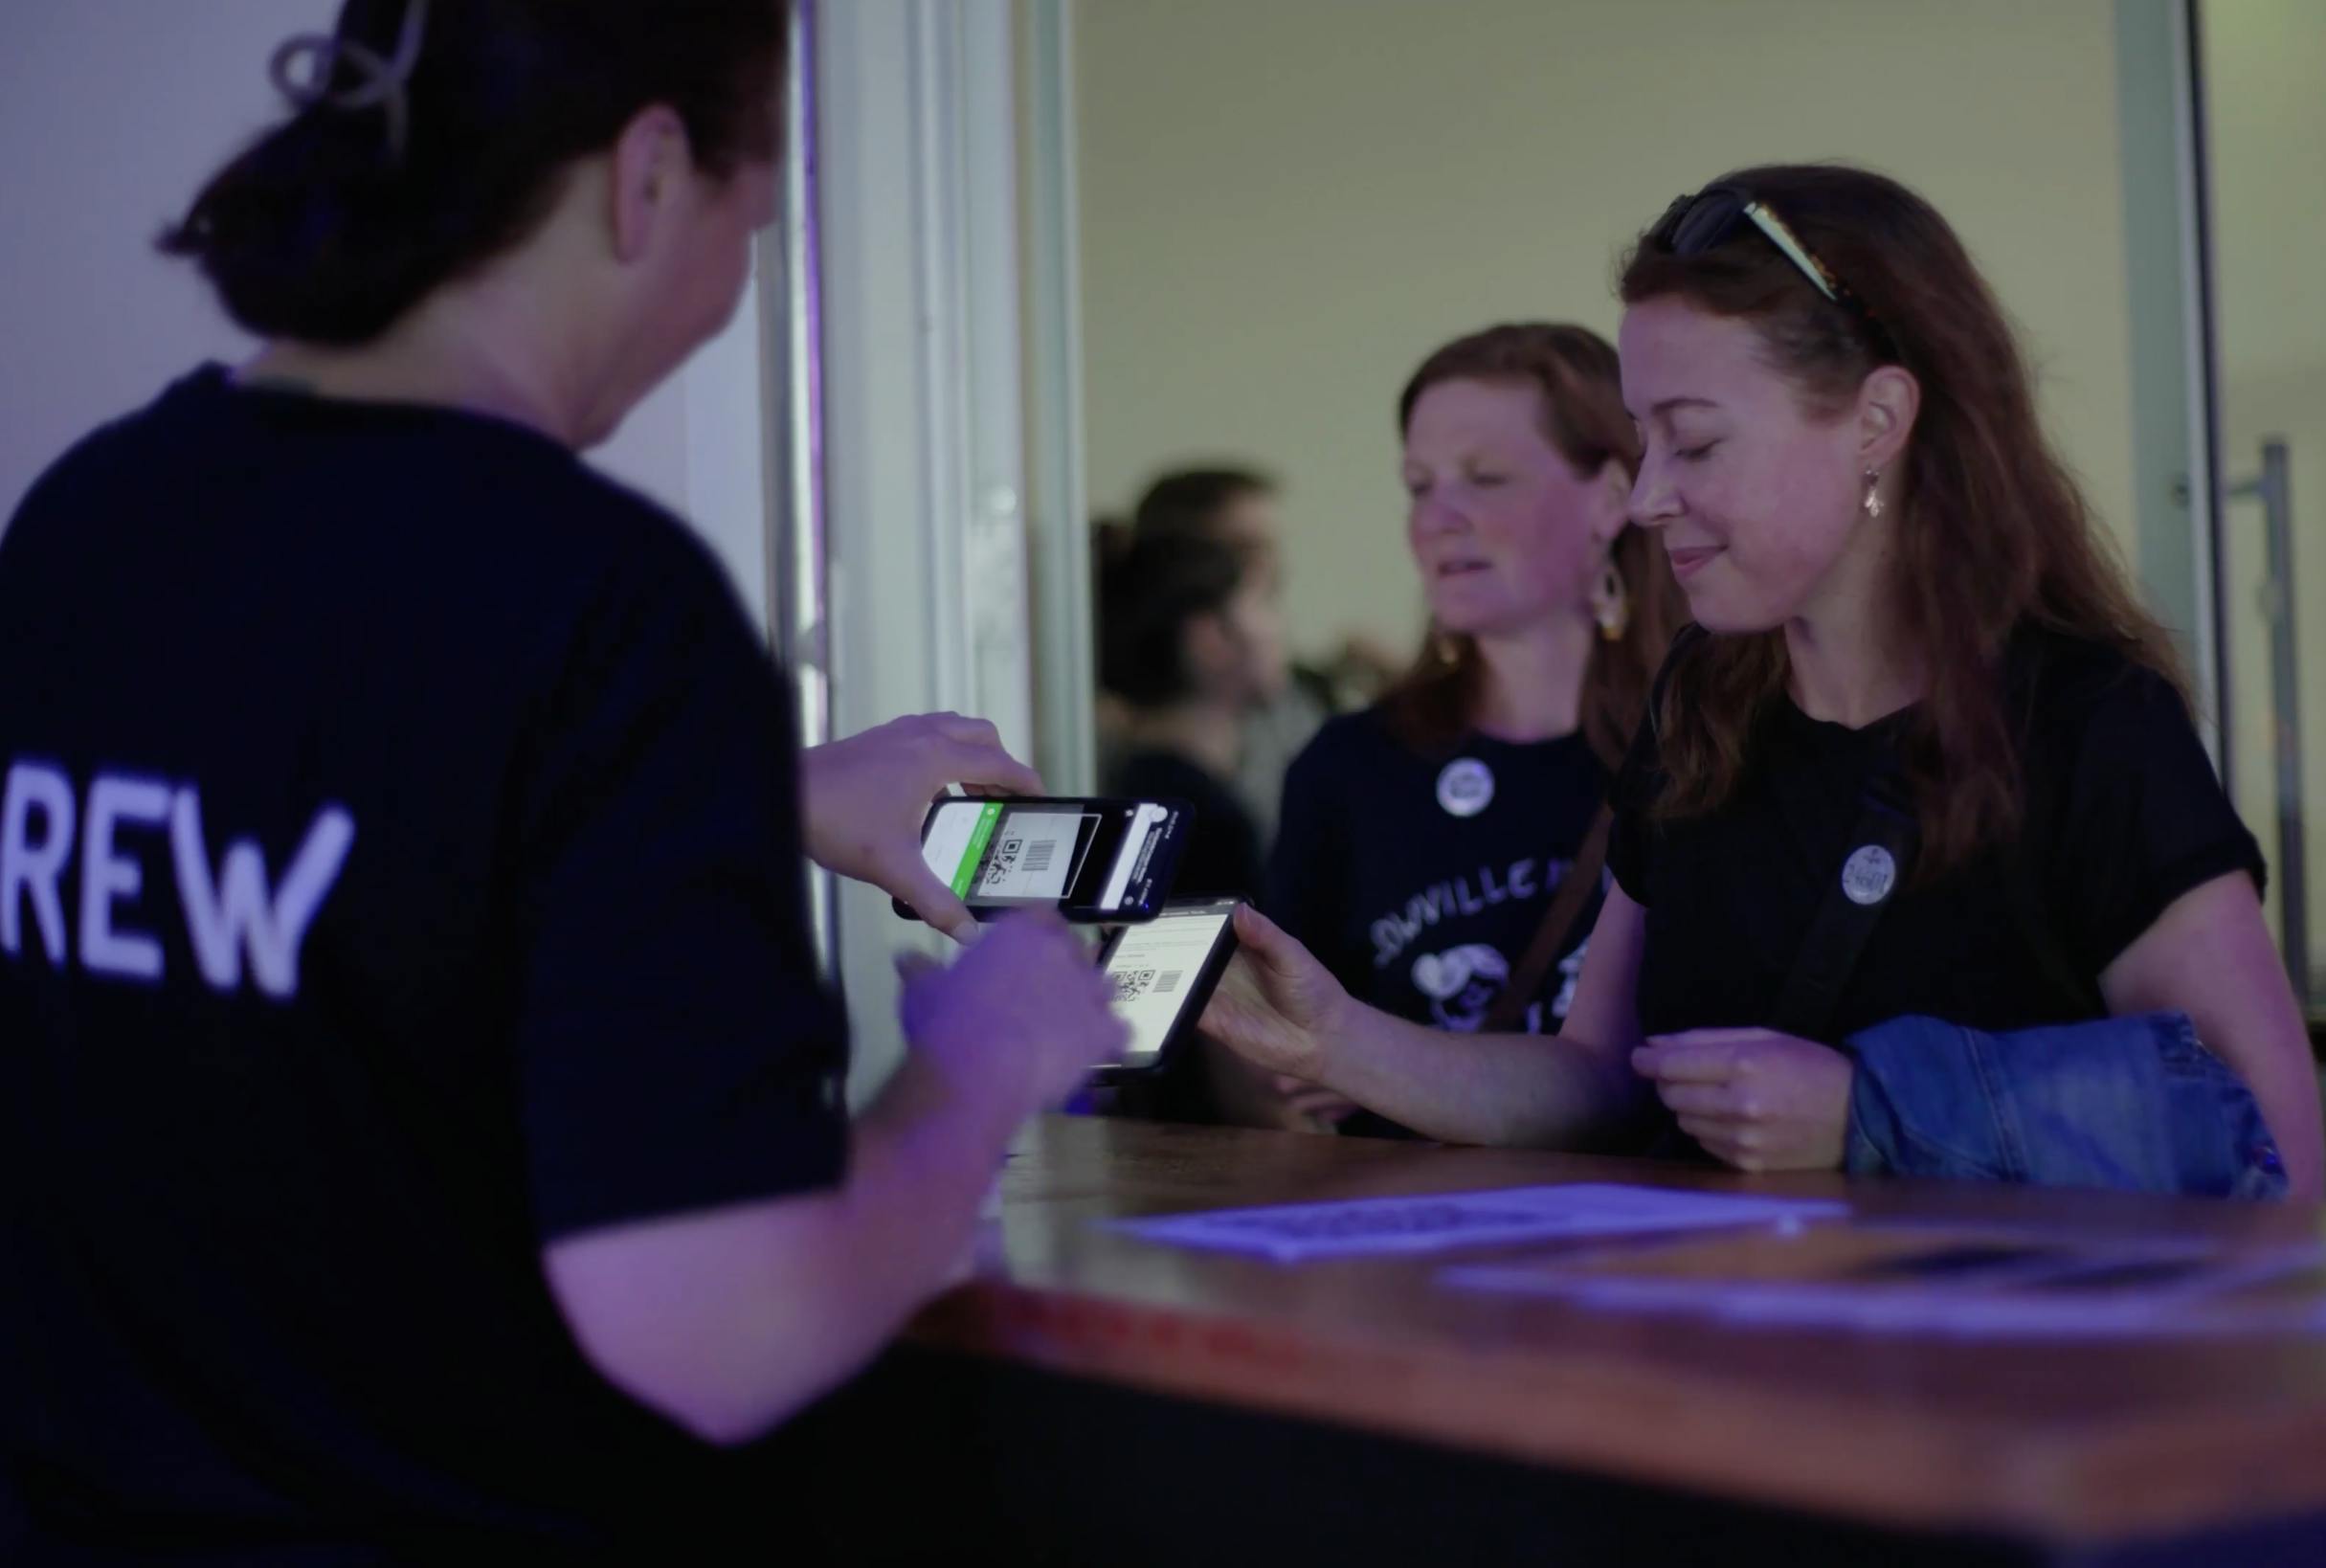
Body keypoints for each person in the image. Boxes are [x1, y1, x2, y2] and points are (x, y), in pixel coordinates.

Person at [0, 2, 1123, 1559]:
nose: (737, 278)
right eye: (757, 213)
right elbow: (725, 1323)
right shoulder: (593, 601)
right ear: (648, 172)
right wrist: (985, 1055)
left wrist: (739, 795)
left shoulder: (87, 520)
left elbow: (345, 857)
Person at [1203, 164, 2324, 1199]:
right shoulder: (1705, 700)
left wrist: (1873, 1113)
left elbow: (2274, 1135)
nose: (1646, 499)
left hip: (2000, 1400)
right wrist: (1339, 1039)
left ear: (1878, 422)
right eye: (1643, 442)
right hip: (1725, 1382)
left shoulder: (2087, 721)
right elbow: (1602, 1078)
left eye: (1692, 444)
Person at [1267, 325, 1680, 1075]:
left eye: (1485, 478)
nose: (1436, 518)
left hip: (1647, 1190)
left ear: (1613, 498)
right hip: (1407, 1190)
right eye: (1419, 485)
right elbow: (1277, 1046)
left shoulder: (1707, 747)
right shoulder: (1350, 769)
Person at [1097, 528, 1282, 902]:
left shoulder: (1134, 785)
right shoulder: (1205, 824)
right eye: (1263, 604)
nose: (1276, 628)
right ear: (1211, 640)